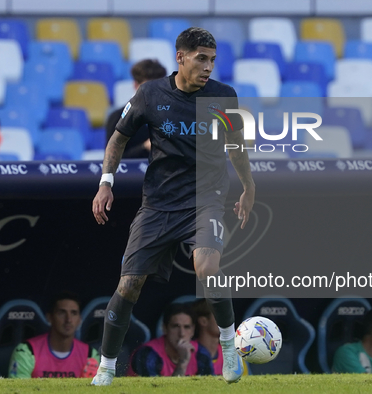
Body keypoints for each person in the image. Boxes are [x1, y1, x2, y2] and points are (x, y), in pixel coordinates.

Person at [91, 27, 255, 386]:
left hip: (206, 199)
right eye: (201, 59)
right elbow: (118, 139)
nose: (208, 66)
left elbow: (236, 145)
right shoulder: (150, 94)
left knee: (207, 267)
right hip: (159, 204)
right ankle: (106, 367)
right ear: (180, 58)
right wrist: (106, 183)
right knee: (129, 285)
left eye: (212, 60)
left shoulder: (223, 96)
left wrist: (248, 185)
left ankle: (229, 349)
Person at [8, 291, 99, 378]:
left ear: (80, 319)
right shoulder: (26, 351)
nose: (68, 320)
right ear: (50, 317)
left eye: (74, 313)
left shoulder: (90, 354)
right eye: (62, 313)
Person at [127, 303, 213, 376]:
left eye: (187, 327)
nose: (181, 334)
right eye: (175, 326)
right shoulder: (147, 354)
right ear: (164, 328)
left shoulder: (201, 353)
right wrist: (183, 363)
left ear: (193, 331)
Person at [105, 59, 167, 159]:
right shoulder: (118, 117)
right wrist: (144, 147)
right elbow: (112, 159)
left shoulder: (173, 115)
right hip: (132, 174)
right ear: (135, 85)